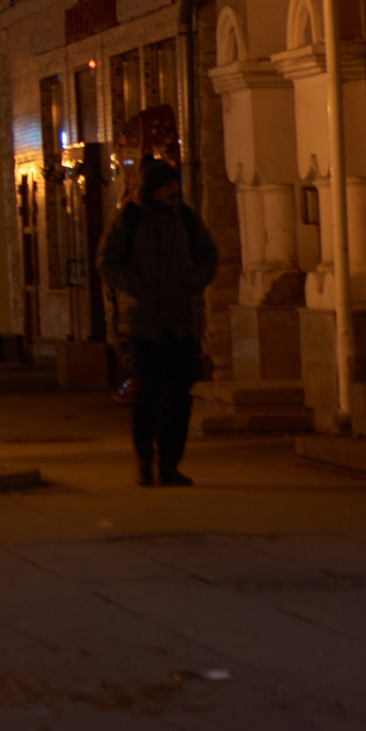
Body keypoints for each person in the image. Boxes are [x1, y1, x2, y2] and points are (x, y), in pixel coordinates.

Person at [100, 156, 218, 486]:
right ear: (152, 189)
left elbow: (208, 253)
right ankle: (144, 458)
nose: (174, 190)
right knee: (148, 393)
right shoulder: (130, 220)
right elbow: (107, 261)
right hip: (142, 323)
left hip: (179, 319)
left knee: (179, 394)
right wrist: (134, 287)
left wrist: (193, 281)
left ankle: (170, 463)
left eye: (175, 183)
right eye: (167, 185)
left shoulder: (185, 219)